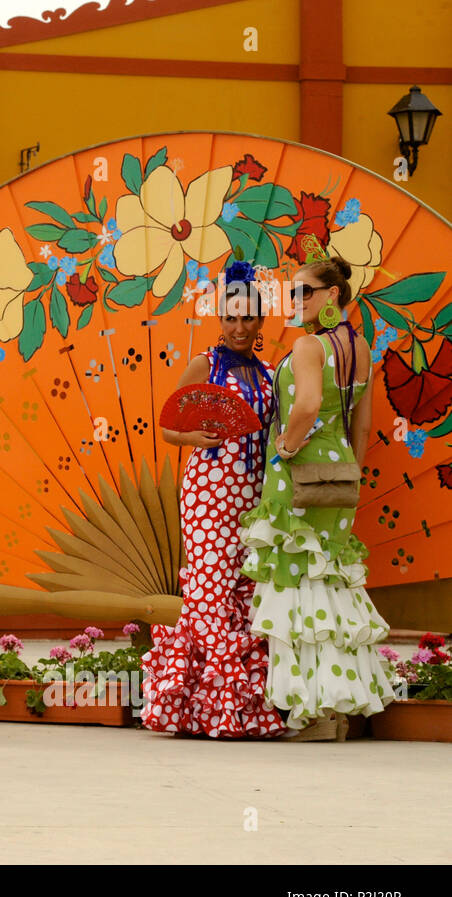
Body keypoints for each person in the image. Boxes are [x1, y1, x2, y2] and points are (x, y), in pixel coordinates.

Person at [239, 253, 393, 741]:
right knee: (327, 586)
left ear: (332, 296)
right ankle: (338, 708)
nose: (296, 301)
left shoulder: (309, 346)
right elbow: (362, 426)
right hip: (340, 470)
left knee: (295, 587)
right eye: (292, 293)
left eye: (304, 292)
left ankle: (312, 712)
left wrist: (284, 447)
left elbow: (305, 405)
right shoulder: (361, 348)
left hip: (298, 473)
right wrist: (348, 473)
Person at [141, 261, 286, 738]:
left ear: (261, 321)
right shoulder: (205, 364)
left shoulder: (268, 375)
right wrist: (193, 439)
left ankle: (236, 708)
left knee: (243, 592)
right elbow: (166, 426)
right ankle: (205, 708)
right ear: (220, 319)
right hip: (207, 491)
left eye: (249, 318)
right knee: (207, 588)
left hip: (253, 494)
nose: (240, 327)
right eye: (232, 317)